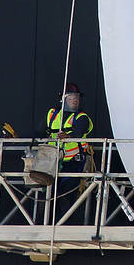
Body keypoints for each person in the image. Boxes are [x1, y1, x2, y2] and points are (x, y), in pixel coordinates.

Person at [40, 82, 94, 221]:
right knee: (48, 193)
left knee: (66, 194)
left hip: (74, 163)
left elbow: (79, 131)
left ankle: (63, 225)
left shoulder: (82, 117)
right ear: (62, 99)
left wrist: (68, 137)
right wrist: (16, 136)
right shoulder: (52, 114)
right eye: (71, 96)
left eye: (77, 97)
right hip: (53, 162)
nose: (75, 99)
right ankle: (44, 224)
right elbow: (38, 131)